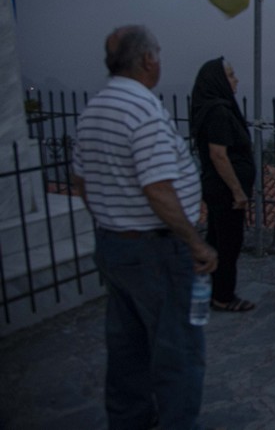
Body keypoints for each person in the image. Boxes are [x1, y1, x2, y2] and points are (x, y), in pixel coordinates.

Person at [71, 25, 217, 429]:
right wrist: (195, 243)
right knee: (179, 351)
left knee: (128, 347)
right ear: (149, 60)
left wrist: (111, 217)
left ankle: (130, 420)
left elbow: (81, 181)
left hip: (115, 246)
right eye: (159, 55)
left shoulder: (95, 109)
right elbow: (157, 188)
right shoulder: (143, 111)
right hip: (157, 250)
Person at [190, 57, 256, 312]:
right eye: (230, 75)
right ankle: (223, 296)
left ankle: (209, 288)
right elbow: (219, 154)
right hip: (224, 190)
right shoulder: (218, 111)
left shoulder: (213, 108)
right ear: (217, 81)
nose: (235, 79)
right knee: (229, 242)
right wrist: (237, 191)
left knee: (217, 240)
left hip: (216, 188)